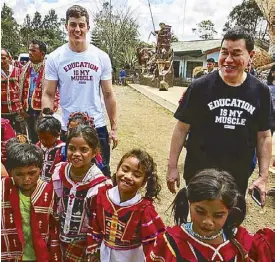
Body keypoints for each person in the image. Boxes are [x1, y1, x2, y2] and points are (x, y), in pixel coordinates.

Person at [167, 27, 272, 203]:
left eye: (236, 53)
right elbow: (181, 129)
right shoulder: (200, 87)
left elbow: (264, 136)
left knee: (230, 224)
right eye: (224, 53)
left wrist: (263, 176)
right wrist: (172, 167)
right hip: (199, 173)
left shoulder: (261, 92)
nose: (228, 60)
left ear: (250, 56)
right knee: (199, 224)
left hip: (236, 177)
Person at [42, 5, 118, 178]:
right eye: (73, 24)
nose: (77, 29)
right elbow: (48, 93)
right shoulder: (55, 57)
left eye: (81, 25)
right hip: (67, 127)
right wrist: (47, 120)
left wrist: (113, 127)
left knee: (101, 172)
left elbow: (108, 94)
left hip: (97, 126)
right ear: (66, 26)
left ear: (88, 28)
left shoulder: (101, 57)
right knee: (67, 172)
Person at [148, 169, 267, 261]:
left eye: (218, 215)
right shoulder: (171, 243)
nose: (208, 221)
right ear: (190, 203)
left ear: (229, 211)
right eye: (200, 212)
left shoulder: (239, 242)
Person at [87, 149, 165, 262]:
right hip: (104, 255)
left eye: (137, 175)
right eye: (125, 169)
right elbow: (95, 226)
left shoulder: (144, 210)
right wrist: (94, 249)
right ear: (118, 168)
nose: (128, 176)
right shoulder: (102, 197)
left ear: (144, 182)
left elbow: (154, 242)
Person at [52, 125, 112, 261]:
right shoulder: (60, 172)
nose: (76, 154)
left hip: (85, 243)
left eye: (84, 150)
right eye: (72, 148)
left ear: (95, 152)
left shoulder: (100, 184)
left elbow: (101, 219)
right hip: (59, 235)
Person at [1, 143, 61, 261]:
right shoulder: (3, 188)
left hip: (38, 256)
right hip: (10, 255)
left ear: (40, 169)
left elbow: (54, 228)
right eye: (19, 174)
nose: (26, 179)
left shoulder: (49, 192)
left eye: (32, 173)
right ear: (10, 172)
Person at [19, 39, 59, 144]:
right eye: (29, 50)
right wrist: (21, 108)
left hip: (42, 111)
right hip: (28, 110)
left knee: (44, 136)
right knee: (31, 136)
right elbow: (20, 90)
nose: (30, 53)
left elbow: (55, 93)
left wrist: (48, 112)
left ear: (42, 53)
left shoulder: (50, 70)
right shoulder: (24, 69)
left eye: (33, 51)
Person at [36, 114, 65, 182]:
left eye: (46, 138)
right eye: (40, 138)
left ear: (57, 135)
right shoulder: (37, 147)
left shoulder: (62, 149)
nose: (42, 141)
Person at [1, 48, 23, 134]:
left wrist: (23, 110)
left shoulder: (19, 71)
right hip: (2, 113)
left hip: (18, 112)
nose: (1, 61)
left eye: (3, 58)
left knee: (21, 136)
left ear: (9, 58)